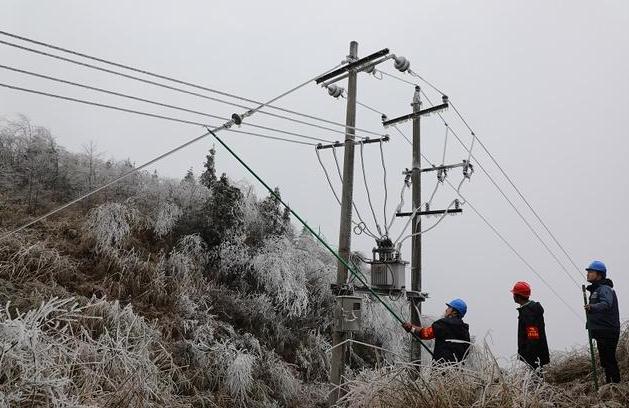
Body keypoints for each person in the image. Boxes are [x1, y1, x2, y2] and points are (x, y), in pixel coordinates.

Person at [402, 298, 471, 364]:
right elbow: (466, 352)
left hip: (441, 370)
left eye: (449, 308)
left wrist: (411, 328)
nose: (446, 310)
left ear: (454, 312)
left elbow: (425, 333)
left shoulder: (444, 324)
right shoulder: (465, 330)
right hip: (457, 371)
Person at [585, 260, 621, 383]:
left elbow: (606, 304)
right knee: (605, 361)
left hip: (608, 330)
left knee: (609, 360)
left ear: (599, 274)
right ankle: (609, 384)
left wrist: (592, 307)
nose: (588, 274)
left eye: (591, 271)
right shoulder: (596, 290)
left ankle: (615, 385)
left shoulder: (604, 289)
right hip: (601, 330)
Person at [511, 281, 550, 371]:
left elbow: (533, 335)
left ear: (518, 296)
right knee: (536, 379)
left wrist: (529, 354)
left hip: (533, 355)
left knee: (535, 380)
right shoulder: (529, 310)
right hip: (535, 354)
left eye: (514, 294)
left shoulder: (529, 312)